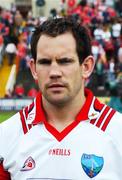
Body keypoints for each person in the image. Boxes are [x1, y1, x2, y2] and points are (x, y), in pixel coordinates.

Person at [0, 17, 122, 180]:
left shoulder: (117, 132)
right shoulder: (6, 136)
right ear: (34, 69)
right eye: (45, 62)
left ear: (86, 67)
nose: (54, 72)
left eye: (65, 61)